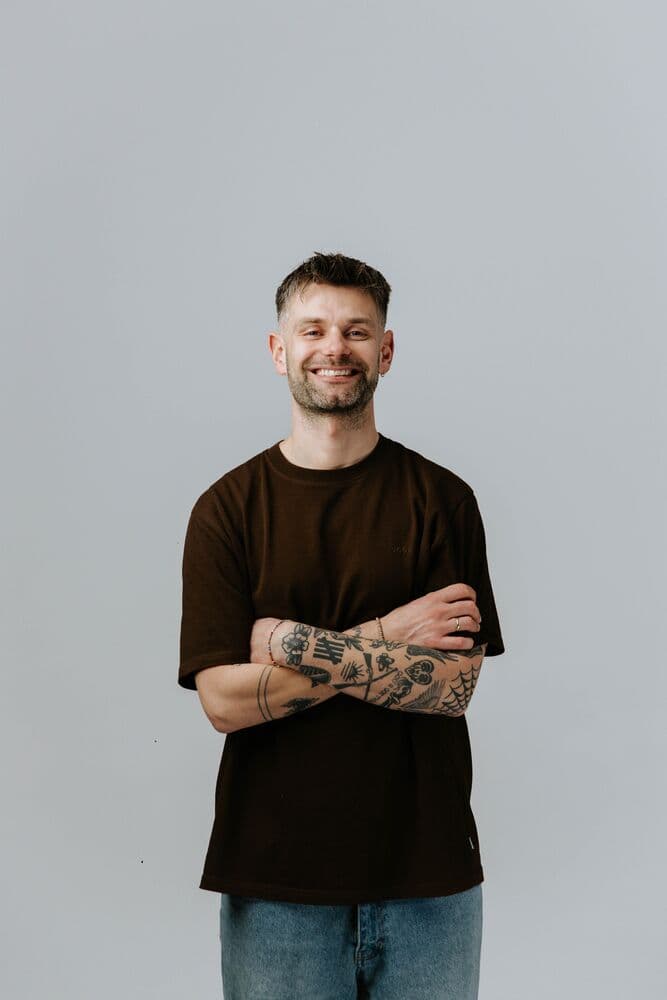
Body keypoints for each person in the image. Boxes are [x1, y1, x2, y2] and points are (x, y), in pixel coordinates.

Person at [178, 251, 506, 999]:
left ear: (384, 351)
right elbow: (224, 702)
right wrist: (391, 634)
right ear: (279, 350)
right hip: (276, 884)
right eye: (313, 329)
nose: (335, 348)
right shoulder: (227, 510)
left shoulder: (441, 500)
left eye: (357, 331)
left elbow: (452, 688)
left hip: (429, 882)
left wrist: (289, 642)